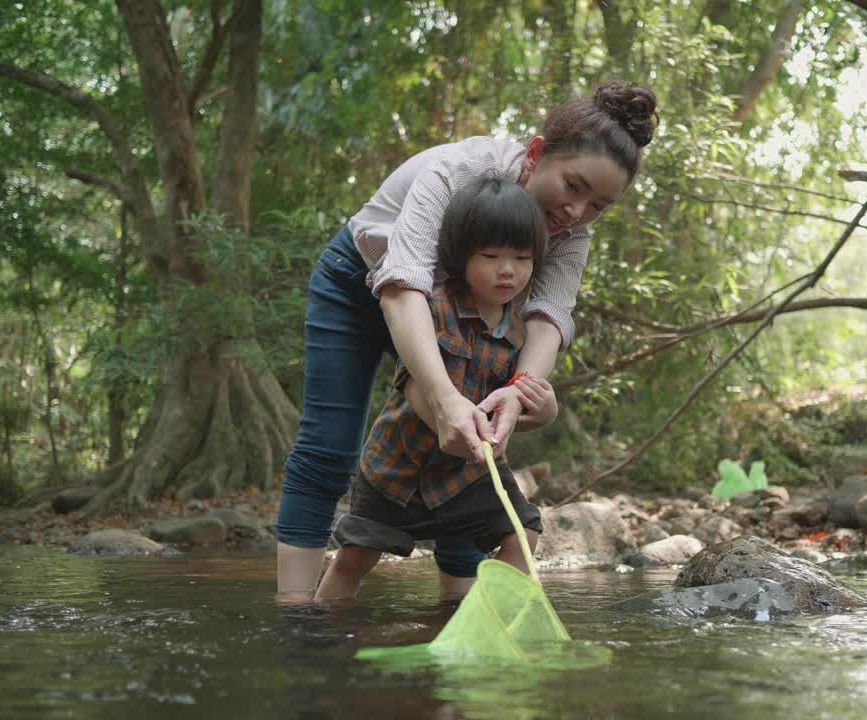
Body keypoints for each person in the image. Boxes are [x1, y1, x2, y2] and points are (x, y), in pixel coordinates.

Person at [276, 81, 659, 602]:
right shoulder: (459, 171)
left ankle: (457, 608)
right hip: (362, 281)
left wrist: (521, 388)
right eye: (573, 186)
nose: (576, 212)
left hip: (459, 309)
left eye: (599, 205)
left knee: (473, 437)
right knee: (329, 446)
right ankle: (297, 614)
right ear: (536, 153)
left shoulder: (572, 235)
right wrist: (440, 396)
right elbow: (403, 286)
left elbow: (548, 318)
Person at [316, 178, 555, 600]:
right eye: (491, 255)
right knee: (355, 558)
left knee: (525, 529)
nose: (508, 270)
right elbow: (412, 385)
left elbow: (517, 405)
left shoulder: (521, 331)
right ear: (461, 256)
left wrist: (542, 409)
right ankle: (320, 628)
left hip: (468, 475)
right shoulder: (433, 307)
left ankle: (488, 618)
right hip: (399, 466)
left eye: (521, 257)